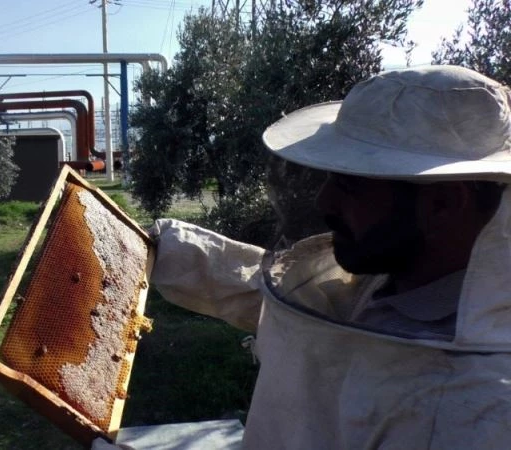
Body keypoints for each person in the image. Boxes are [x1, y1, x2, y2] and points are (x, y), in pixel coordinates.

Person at [98, 65, 511, 449]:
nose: (323, 199)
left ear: (442, 203)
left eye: (350, 185)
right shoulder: (404, 273)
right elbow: (296, 303)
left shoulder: (472, 413)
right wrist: (163, 247)